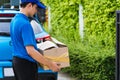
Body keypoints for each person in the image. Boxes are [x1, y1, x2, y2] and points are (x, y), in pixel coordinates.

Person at [10, 0, 60, 80]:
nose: (36, 11)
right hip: (26, 64)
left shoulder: (15, 20)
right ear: (30, 5)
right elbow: (31, 51)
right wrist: (50, 64)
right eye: (36, 8)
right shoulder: (25, 24)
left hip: (17, 62)